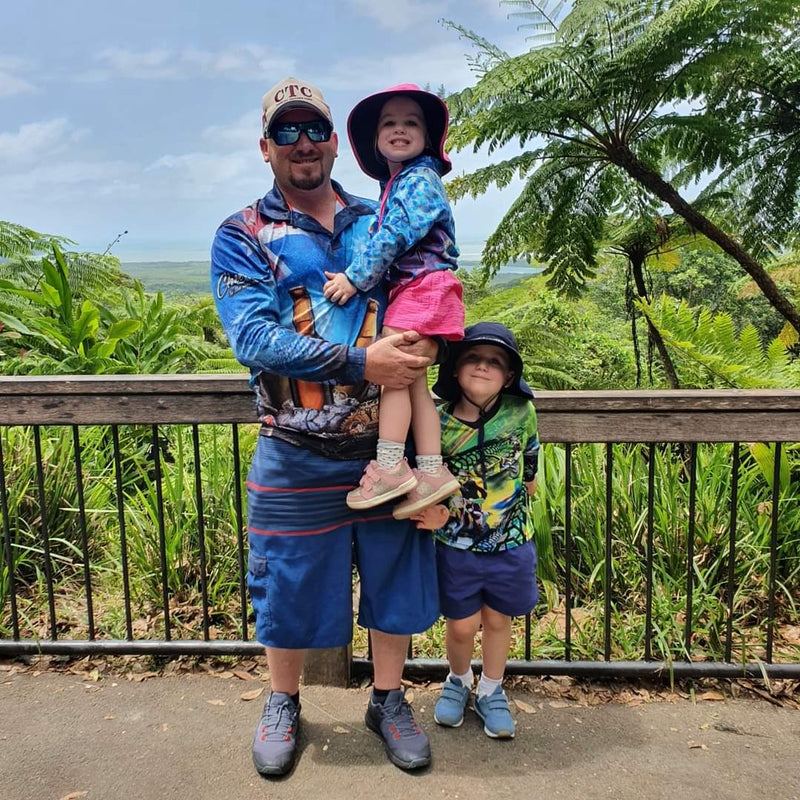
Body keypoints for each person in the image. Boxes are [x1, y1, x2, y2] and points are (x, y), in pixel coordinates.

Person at [210, 77, 440, 776]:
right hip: (293, 446)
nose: (302, 142)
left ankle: (388, 699)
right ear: (266, 147)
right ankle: (283, 701)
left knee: (395, 579)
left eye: (314, 129)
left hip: (386, 450)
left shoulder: (383, 216)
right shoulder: (242, 234)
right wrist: (364, 361)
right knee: (285, 583)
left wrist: (427, 344)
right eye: (286, 131)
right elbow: (253, 339)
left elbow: (426, 292)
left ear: (336, 142)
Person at [322, 84, 465, 518]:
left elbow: (395, 234)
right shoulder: (402, 183)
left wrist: (354, 279)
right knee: (414, 381)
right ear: (375, 139)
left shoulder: (418, 181)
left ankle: (390, 467)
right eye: (389, 123)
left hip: (421, 288)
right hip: (428, 289)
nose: (399, 129)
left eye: (411, 123)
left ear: (428, 137)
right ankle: (432, 471)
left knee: (394, 377)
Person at [410, 322, 540, 739]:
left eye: (495, 361)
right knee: (462, 624)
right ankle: (459, 678)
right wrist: (436, 515)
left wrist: (529, 479)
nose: (483, 366)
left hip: (511, 542)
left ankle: (491, 689)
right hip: (456, 544)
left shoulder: (521, 412)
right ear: (454, 368)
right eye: (473, 358)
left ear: (510, 375)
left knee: (499, 620)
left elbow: (531, 450)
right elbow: (425, 475)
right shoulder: (437, 420)